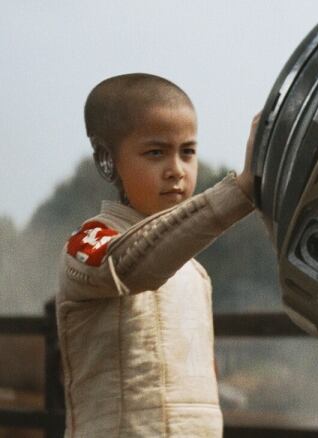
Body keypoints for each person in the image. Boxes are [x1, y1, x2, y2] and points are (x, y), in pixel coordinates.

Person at [56, 73, 257, 437]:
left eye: (188, 152)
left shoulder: (195, 273)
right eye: (155, 152)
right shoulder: (89, 243)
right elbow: (134, 267)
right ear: (106, 160)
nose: (176, 170)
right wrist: (239, 193)